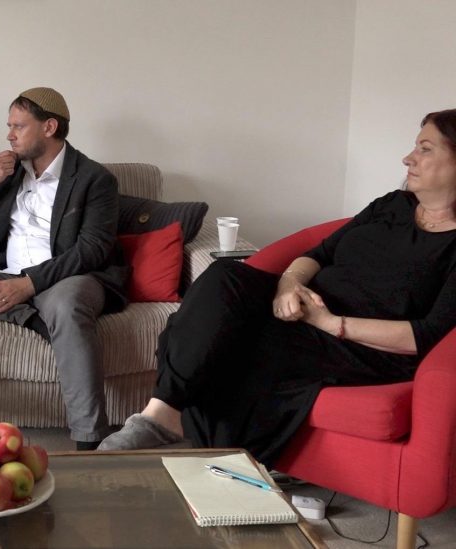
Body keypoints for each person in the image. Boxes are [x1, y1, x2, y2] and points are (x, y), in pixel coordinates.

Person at [98, 109, 456, 466]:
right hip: (306, 304)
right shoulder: (392, 205)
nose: (408, 158)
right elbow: (319, 253)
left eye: (425, 149)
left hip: (360, 342)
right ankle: (162, 414)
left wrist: (331, 323)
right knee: (225, 276)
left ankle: (217, 458)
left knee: (243, 342)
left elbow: (426, 336)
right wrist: (289, 284)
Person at [0, 87, 130, 450]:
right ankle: (36, 321)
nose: (9, 135)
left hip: (65, 278)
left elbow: (92, 250)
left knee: (66, 305)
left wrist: (31, 284)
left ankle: (89, 440)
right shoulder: (12, 172)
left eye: (18, 126)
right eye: (9, 126)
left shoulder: (95, 179)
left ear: (49, 127)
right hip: (5, 276)